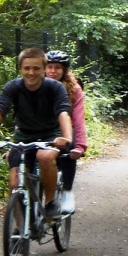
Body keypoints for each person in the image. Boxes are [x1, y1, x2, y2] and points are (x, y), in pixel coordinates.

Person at [0, 47, 73, 217]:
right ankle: (19, 231)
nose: (31, 73)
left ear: (44, 69)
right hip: (24, 137)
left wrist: (66, 137)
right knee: (15, 183)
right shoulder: (13, 87)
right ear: (20, 69)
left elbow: (63, 112)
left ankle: (50, 202)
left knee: (45, 157)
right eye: (26, 68)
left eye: (36, 68)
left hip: (50, 135)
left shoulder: (55, 87)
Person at [45, 50, 87, 214]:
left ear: (64, 70)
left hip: (64, 132)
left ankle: (67, 192)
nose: (53, 71)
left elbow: (78, 118)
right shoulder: (35, 85)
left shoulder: (74, 89)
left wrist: (81, 146)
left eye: (57, 68)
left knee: (68, 151)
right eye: (49, 67)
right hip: (39, 131)